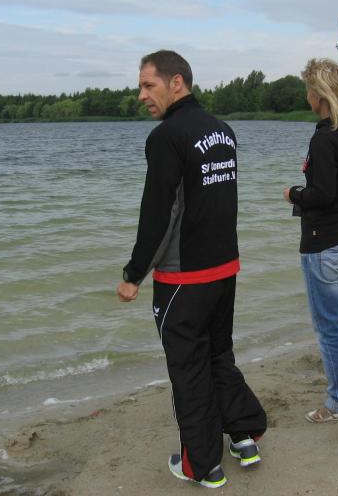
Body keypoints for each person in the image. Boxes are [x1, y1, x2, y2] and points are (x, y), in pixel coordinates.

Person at [116, 50, 266, 489]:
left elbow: (157, 213)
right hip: (224, 268)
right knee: (218, 355)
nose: (142, 95)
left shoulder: (167, 136)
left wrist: (133, 274)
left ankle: (201, 465)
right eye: (141, 86)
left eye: (149, 85)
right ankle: (244, 435)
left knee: (189, 370)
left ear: (176, 82)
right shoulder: (222, 130)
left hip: (184, 277)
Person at [283, 58, 338, 423]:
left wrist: (294, 194)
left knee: (330, 327)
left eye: (309, 89)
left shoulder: (324, 138)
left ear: (320, 94)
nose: (307, 96)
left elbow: (322, 193)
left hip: (322, 244)